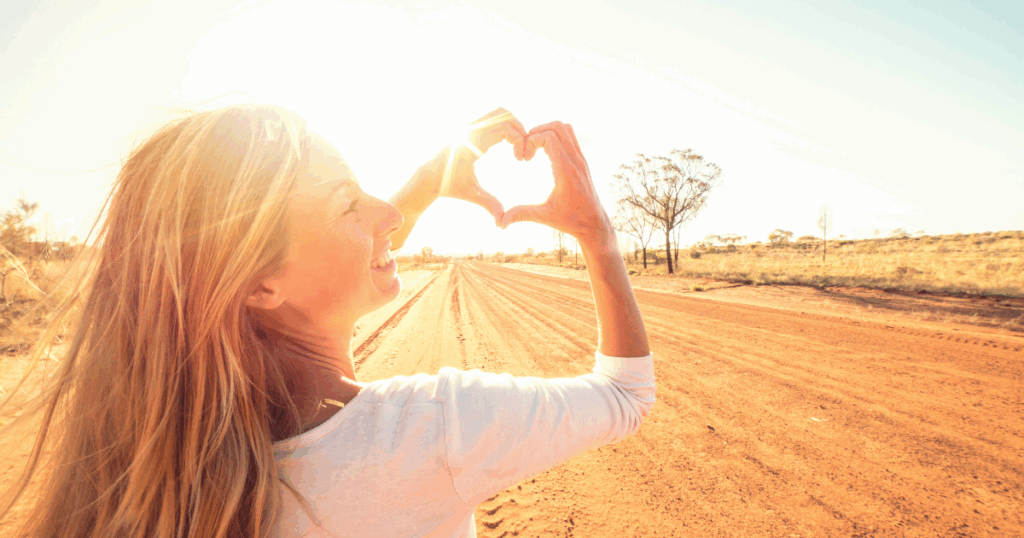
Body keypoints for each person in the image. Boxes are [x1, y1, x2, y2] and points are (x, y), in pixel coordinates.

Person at [0, 104, 654, 538]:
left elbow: (314, 258)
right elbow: (626, 396)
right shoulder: (435, 428)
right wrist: (596, 234)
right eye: (349, 204)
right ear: (258, 283)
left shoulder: (155, 477)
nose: (388, 215)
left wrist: (427, 182)